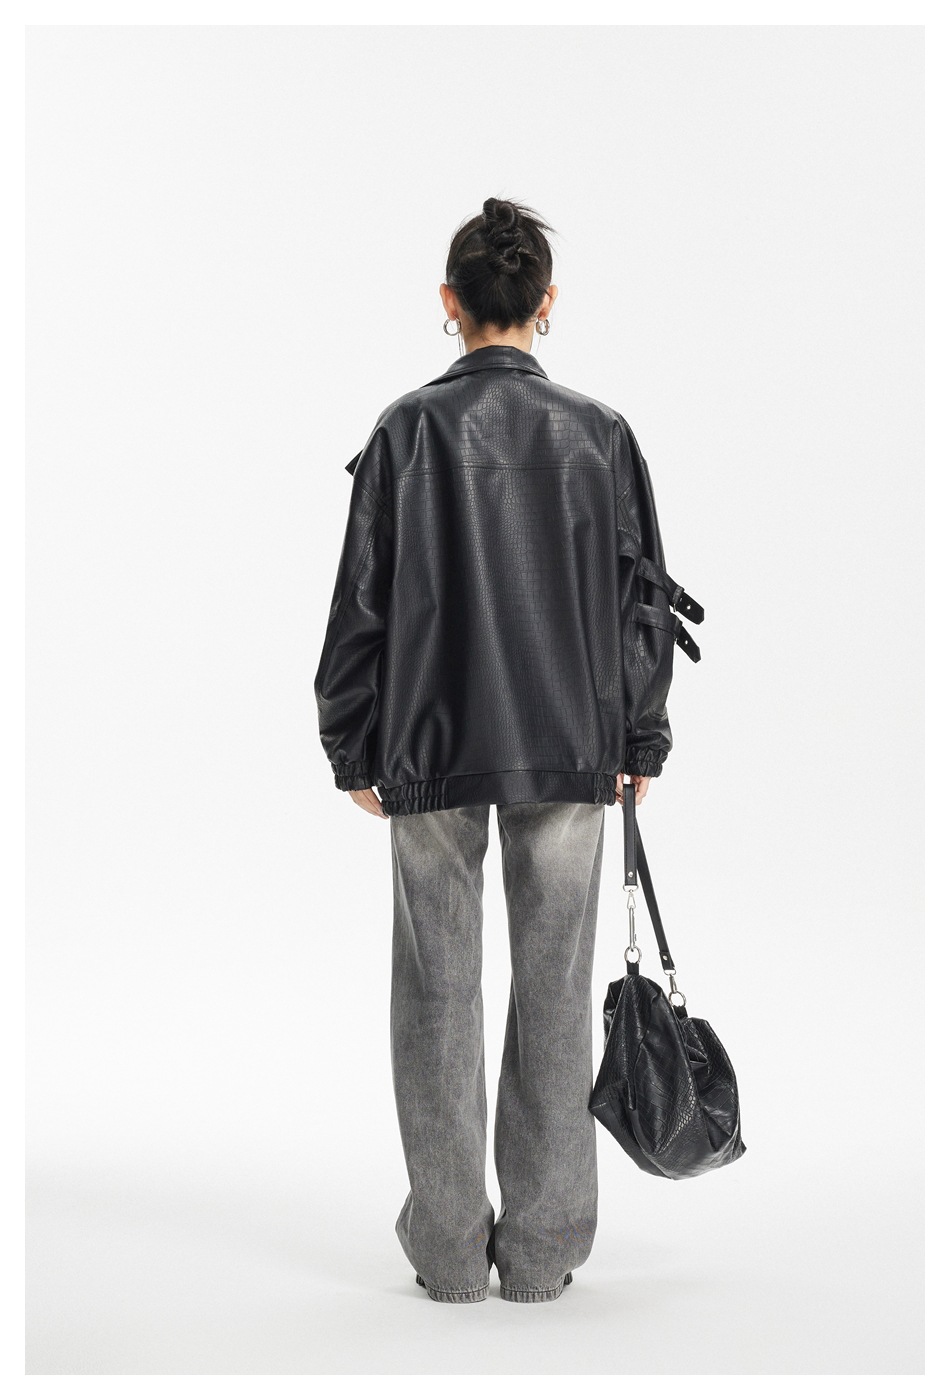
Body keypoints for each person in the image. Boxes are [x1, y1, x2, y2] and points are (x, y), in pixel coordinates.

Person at [314, 196, 702, 1305]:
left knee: (435, 991)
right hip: (571, 744)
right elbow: (640, 603)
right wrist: (639, 733)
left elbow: (360, 605)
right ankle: (539, 1250)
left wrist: (351, 739)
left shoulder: (404, 431)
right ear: (546, 302)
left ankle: (446, 1251)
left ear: (451, 302)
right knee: (552, 991)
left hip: (426, 744)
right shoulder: (599, 432)